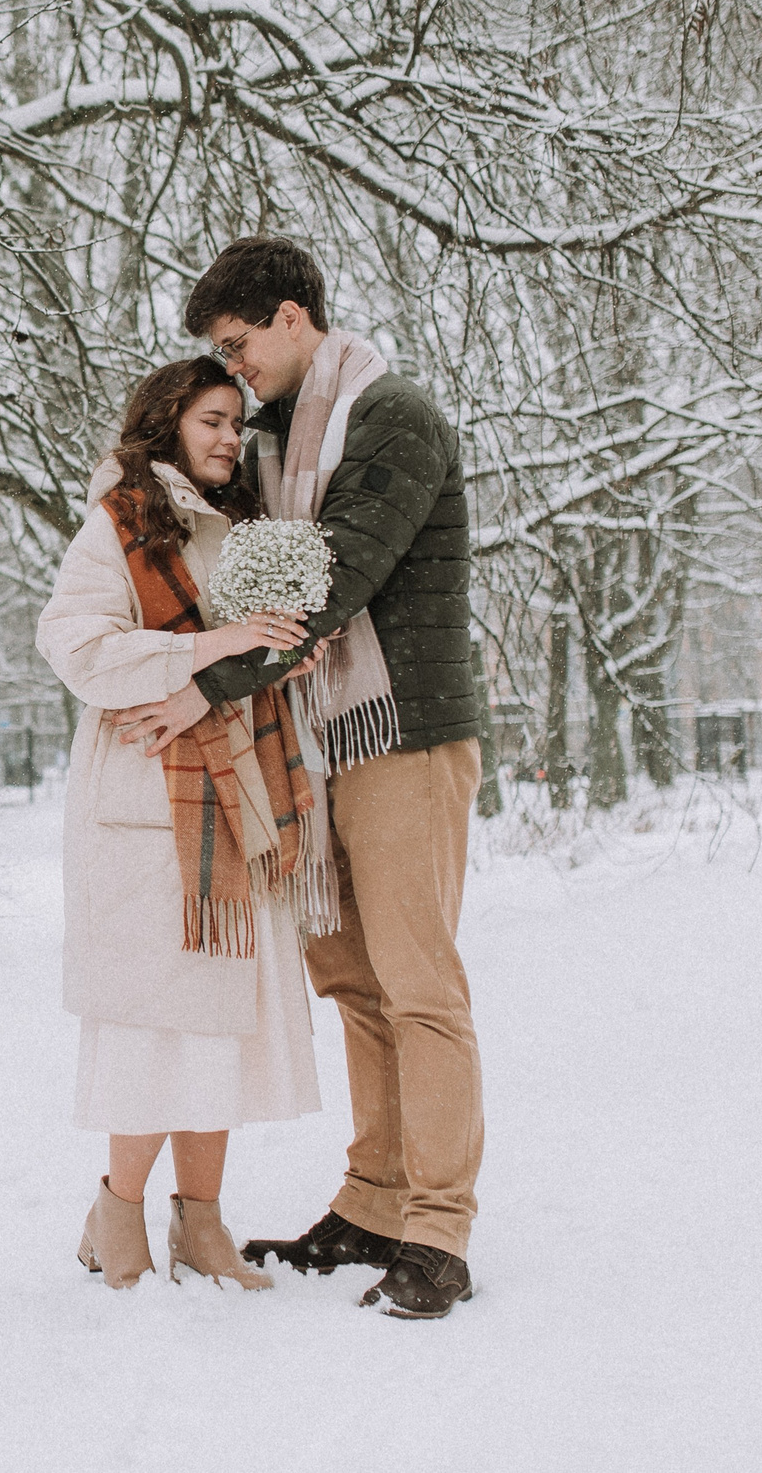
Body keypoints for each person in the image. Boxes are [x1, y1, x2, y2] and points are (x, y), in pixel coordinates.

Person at [113, 235, 489, 1320]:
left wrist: (203, 686)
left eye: (238, 343)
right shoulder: (273, 436)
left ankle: (440, 1229)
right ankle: (374, 1195)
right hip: (315, 739)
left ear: (291, 316)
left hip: (401, 731)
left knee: (418, 982)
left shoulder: (393, 418)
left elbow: (326, 576)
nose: (233, 369)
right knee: (351, 979)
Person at [36, 356, 329, 1291]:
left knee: (219, 1032)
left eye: (234, 424)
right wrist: (218, 643)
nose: (226, 439)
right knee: (153, 1029)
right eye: (210, 419)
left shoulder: (242, 527)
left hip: (232, 804)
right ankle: (114, 1214)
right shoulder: (119, 521)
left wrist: (282, 656)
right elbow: (76, 648)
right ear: (166, 422)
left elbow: (254, 651)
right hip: (147, 806)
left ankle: (201, 1224)